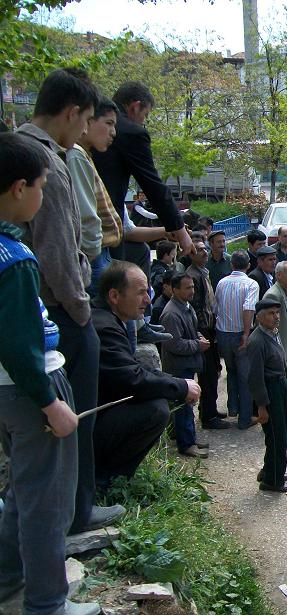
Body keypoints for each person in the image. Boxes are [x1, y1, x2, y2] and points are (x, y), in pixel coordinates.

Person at [0, 131, 101, 615]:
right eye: (41, 186)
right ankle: (44, 604)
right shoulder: (14, 261)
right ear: (20, 188)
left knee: (23, 488)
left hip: (9, 393)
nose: (43, 197)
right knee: (46, 498)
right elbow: (19, 348)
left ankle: (8, 574)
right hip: (31, 388)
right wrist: (50, 403)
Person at [16, 68, 120, 535]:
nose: (85, 133)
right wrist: (81, 312)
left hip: (35, 307)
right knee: (74, 419)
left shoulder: (16, 147)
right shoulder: (48, 165)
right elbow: (57, 250)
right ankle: (78, 513)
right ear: (72, 112)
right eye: (86, 121)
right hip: (59, 310)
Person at [93, 262, 201, 483]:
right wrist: (179, 387)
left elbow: (132, 369)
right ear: (114, 295)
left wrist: (175, 382)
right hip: (85, 428)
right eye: (140, 293)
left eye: (147, 293)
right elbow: (131, 379)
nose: (147, 300)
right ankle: (107, 480)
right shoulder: (105, 328)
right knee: (156, 410)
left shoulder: (109, 320)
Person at [92, 81, 192, 264]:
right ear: (135, 107)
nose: (112, 133)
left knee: (139, 252)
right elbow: (153, 185)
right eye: (145, 115)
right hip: (102, 228)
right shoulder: (131, 133)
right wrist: (180, 230)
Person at [65, 97, 121, 299]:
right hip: (95, 257)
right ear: (87, 121)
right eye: (108, 123)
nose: (113, 132)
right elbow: (86, 217)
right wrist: (91, 256)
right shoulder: (76, 155)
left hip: (99, 255)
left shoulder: (84, 155)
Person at [159, 273, 209, 458]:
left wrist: (198, 337)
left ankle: (189, 439)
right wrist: (198, 345)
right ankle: (186, 444)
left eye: (193, 287)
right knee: (184, 405)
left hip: (187, 363)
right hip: (179, 366)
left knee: (187, 404)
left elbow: (189, 330)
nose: (192, 291)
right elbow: (174, 343)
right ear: (175, 289)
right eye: (187, 288)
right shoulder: (171, 313)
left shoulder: (186, 307)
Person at [248, 299, 287, 492]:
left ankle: (271, 469)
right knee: (276, 435)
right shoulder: (257, 341)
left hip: (280, 386)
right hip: (270, 389)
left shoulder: (272, 333)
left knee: (282, 430)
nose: (276, 317)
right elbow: (255, 376)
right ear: (259, 317)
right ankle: (272, 480)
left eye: (277, 313)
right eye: (270, 313)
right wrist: (261, 405)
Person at [185, 239, 228, 430]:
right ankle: (208, 415)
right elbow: (196, 309)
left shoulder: (203, 272)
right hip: (203, 331)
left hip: (209, 328)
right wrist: (201, 334)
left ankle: (209, 409)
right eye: (199, 250)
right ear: (190, 254)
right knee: (208, 374)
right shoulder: (192, 276)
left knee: (213, 372)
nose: (204, 252)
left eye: (204, 249)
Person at [214, 251, 259, 429]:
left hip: (223, 334)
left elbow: (215, 307)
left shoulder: (221, 283)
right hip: (240, 333)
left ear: (232, 265)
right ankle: (245, 418)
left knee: (231, 371)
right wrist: (247, 333)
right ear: (249, 265)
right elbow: (248, 308)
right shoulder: (251, 284)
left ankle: (233, 408)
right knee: (245, 378)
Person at [264, 260, 287, 391]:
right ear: (278, 275)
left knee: (285, 385)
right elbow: (269, 325)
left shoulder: (286, 291)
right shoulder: (274, 294)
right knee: (279, 388)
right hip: (279, 350)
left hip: (286, 347)